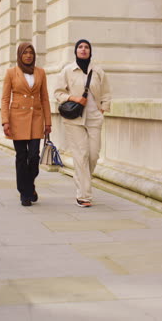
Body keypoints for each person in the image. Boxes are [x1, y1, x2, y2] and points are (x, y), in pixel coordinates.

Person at [54, 39, 111, 207]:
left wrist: (103, 109)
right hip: (74, 119)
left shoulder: (98, 71)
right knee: (81, 155)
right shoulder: (67, 71)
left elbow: (106, 92)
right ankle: (84, 195)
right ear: (76, 51)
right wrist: (73, 98)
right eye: (80, 47)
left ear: (90, 51)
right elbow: (58, 93)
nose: (83, 50)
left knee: (93, 155)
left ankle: (83, 181)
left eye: (86, 47)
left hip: (94, 118)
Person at [1, 42, 51, 206]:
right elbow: (5, 99)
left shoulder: (41, 72)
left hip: (36, 118)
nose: (28, 55)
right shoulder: (11, 73)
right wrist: (5, 121)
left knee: (34, 156)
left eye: (31, 52)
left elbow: (44, 98)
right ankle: (25, 193)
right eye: (25, 53)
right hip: (17, 119)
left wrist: (48, 122)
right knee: (21, 157)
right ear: (20, 55)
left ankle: (28, 186)